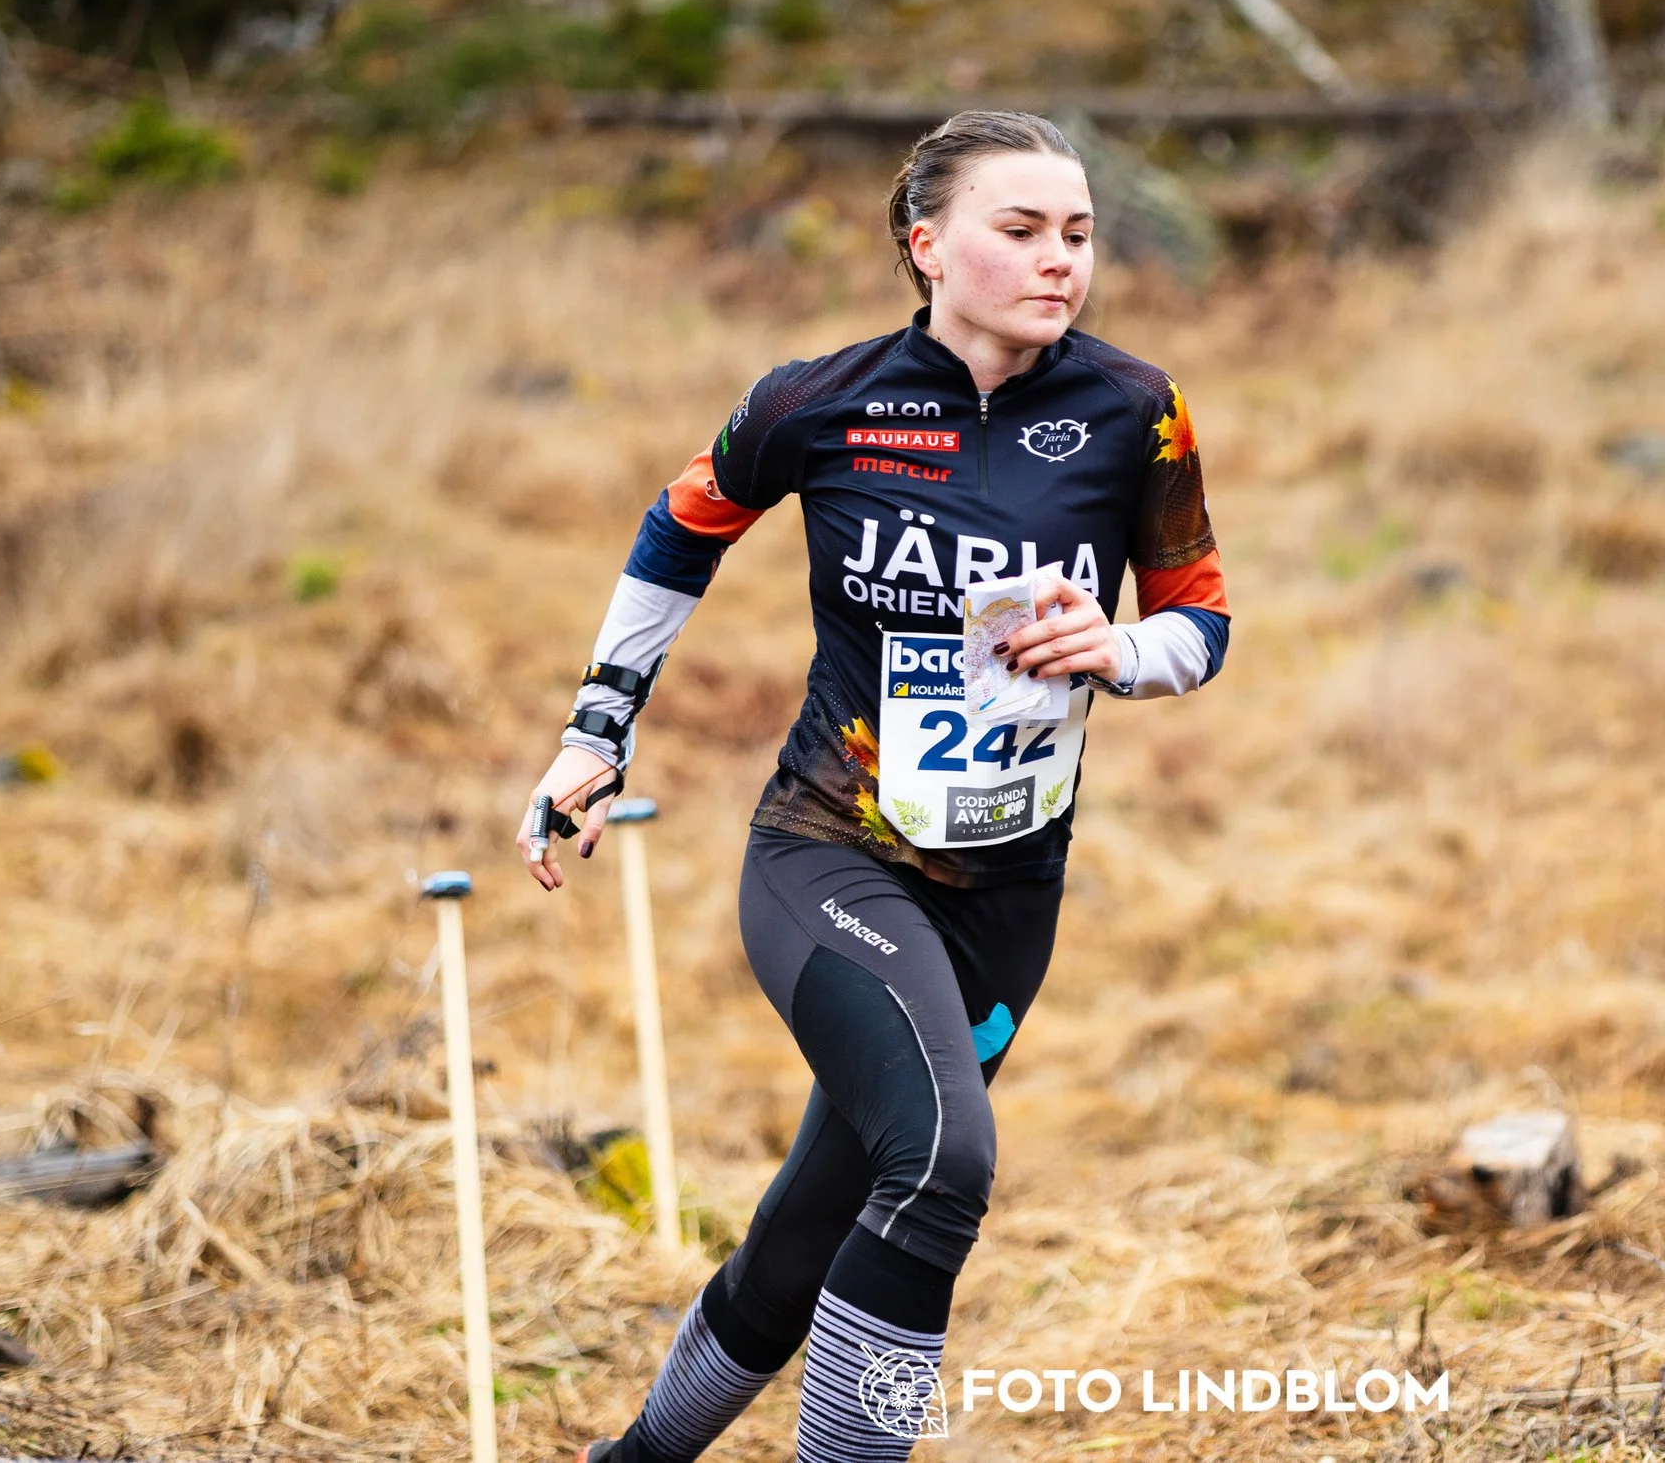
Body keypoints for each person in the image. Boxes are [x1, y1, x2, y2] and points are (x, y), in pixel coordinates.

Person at [515, 110, 1231, 1463]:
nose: (1058, 260)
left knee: (807, 1234)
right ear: (927, 244)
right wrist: (595, 734)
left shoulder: (1136, 408)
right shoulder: (816, 400)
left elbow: (1201, 618)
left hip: (1009, 896)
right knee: (945, 1167)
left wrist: (1121, 649)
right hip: (829, 854)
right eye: (1019, 230)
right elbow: (680, 528)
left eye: (1077, 233)